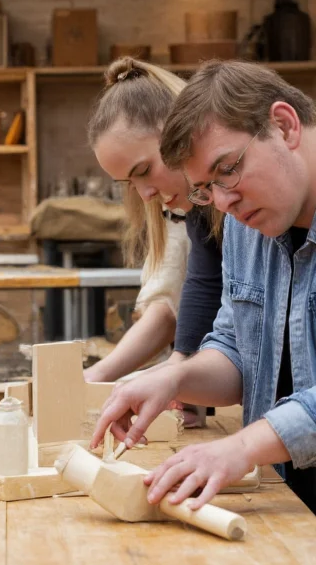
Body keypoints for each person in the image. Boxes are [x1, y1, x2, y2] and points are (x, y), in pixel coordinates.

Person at [92, 60, 316, 514]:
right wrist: (177, 376)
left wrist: (242, 447)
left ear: (284, 125)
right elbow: (237, 350)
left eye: (227, 169)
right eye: (205, 189)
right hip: (287, 502)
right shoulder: (244, 224)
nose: (224, 202)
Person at [85, 58, 224, 426]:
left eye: (144, 171)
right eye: (129, 183)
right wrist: (180, 371)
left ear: (178, 130)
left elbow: (173, 313)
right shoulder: (198, 204)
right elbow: (203, 285)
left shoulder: (213, 198)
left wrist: (179, 377)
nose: (144, 195)